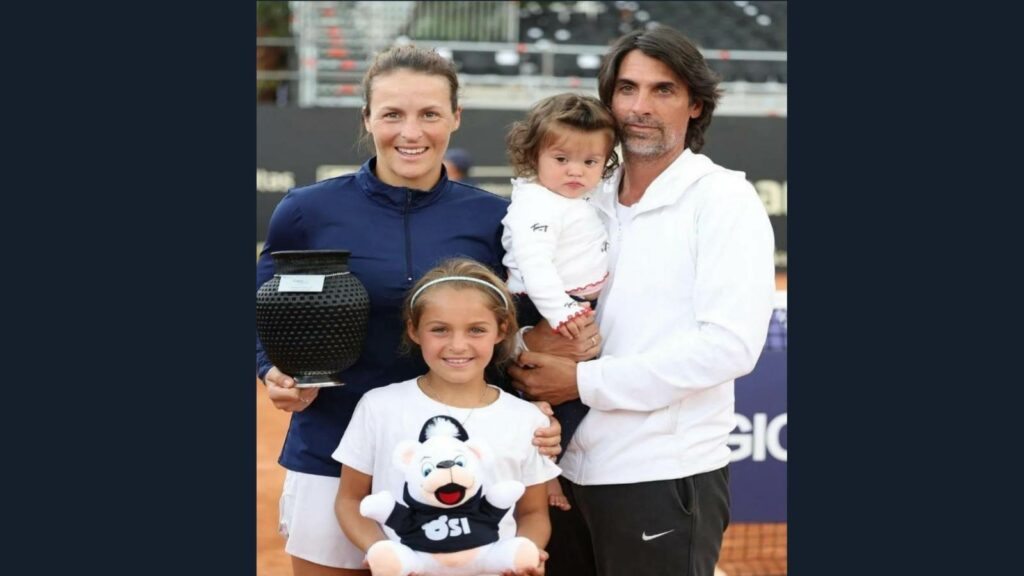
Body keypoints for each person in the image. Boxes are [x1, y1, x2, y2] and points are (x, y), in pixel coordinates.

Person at [256, 45, 565, 576]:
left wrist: (538, 406)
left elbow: (524, 329)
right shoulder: (307, 210)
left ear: (455, 118)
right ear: (368, 118)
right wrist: (272, 369)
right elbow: (266, 308)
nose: (411, 132)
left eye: (429, 114)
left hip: (465, 464)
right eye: (392, 114)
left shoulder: (496, 219)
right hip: (331, 450)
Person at [507, 26, 777, 576]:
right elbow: (526, 306)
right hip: (558, 475)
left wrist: (580, 383)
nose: (639, 107)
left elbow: (728, 348)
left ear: (695, 104)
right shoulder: (581, 193)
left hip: (660, 479)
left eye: (663, 90)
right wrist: (526, 349)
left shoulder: (725, 199)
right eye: (627, 88)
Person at [334, 258, 560, 576]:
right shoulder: (379, 407)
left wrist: (526, 553)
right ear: (414, 330)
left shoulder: (526, 419)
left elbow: (533, 512)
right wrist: (380, 551)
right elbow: (349, 499)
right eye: (439, 330)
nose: (457, 345)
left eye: (476, 330)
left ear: (501, 330)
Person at [501, 93, 618, 511]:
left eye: (590, 162)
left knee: (561, 401)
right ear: (534, 156)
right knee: (547, 400)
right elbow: (535, 264)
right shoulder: (537, 203)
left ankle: (545, 471)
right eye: (562, 158)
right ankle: (542, 476)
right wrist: (561, 311)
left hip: (565, 304)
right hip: (542, 305)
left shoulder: (577, 201)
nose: (576, 171)